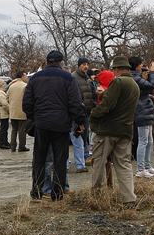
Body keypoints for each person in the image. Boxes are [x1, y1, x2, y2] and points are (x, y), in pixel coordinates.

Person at [23, 50, 85, 201]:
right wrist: (80, 121)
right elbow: (75, 104)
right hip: (61, 125)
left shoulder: (34, 78)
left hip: (41, 124)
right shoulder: (68, 78)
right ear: (61, 62)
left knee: (39, 159)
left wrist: (35, 118)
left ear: (46, 62)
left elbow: (26, 104)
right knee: (60, 160)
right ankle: (57, 193)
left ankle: (37, 192)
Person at [89, 56, 140, 204]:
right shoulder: (134, 84)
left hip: (108, 130)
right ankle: (129, 198)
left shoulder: (118, 81)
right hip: (125, 131)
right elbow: (120, 101)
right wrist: (104, 93)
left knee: (98, 162)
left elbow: (108, 105)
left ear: (117, 69)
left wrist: (93, 115)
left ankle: (96, 196)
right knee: (124, 165)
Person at [129, 57, 154, 178]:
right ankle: (140, 169)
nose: (143, 65)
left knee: (149, 140)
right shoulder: (135, 77)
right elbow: (152, 85)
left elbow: (145, 88)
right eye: (141, 64)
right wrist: (152, 72)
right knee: (143, 141)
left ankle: (147, 166)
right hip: (141, 110)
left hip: (145, 110)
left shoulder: (138, 76)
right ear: (137, 66)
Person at [72, 58, 95, 168]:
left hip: (87, 111)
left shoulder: (86, 78)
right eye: (83, 64)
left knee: (85, 135)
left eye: (87, 64)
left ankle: (85, 156)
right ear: (79, 65)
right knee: (80, 135)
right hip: (80, 111)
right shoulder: (74, 77)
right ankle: (84, 157)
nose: (86, 66)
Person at [7, 71, 29, 152]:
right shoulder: (25, 86)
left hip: (13, 112)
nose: (27, 78)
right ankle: (22, 146)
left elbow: (7, 98)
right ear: (22, 77)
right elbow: (28, 99)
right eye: (26, 76)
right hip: (22, 112)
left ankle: (12, 146)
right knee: (22, 130)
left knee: (14, 129)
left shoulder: (11, 86)